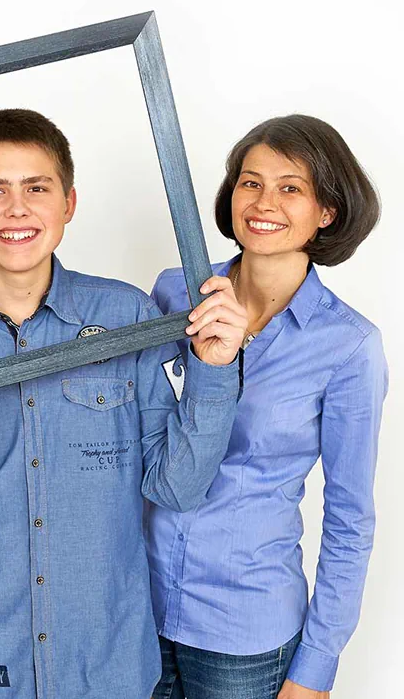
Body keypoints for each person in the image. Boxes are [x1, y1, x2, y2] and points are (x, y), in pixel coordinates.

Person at [0, 108, 248, 698]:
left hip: (108, 665)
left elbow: (176, 486)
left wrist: (213, 372)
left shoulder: (126, 316)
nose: (17, 209)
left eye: (37, 188)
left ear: (69, 203)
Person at [147, 115, 387, 699]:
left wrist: (315, 669)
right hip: (138, 607)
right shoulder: (174, 293)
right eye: (250, 182)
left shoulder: (349, 345)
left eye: (291, 187)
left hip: (245, 633)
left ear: (326, 211)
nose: (263, 202)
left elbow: (350, 520)